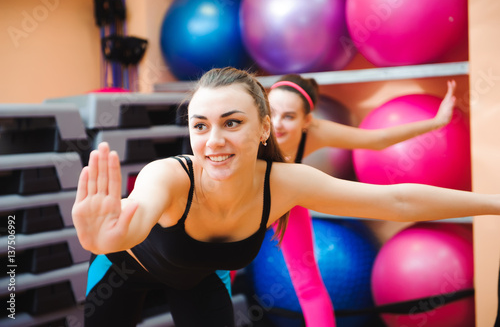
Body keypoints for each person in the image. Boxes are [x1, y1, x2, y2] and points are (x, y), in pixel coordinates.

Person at [73, 67, 500, 327]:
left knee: (306, 280)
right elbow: (137, 212)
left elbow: (397, 201)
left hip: (199, 277)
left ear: (263, 129)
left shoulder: (287, 182)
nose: (213, 140)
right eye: (200, 126)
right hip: (123, 274)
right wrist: (103, 239)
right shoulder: (168, 176)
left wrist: (495, 203)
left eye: (232, 122)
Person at [266, 74, 457, 327]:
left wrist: (436, 122)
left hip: (287, 197)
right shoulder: (254, 126)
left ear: (307, 121)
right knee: (222, 264)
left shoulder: (316, 133)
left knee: (308, 285)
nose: (276, 123)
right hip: (246, 198)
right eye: (271, 112)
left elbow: (377, 140)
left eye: (289, 116)